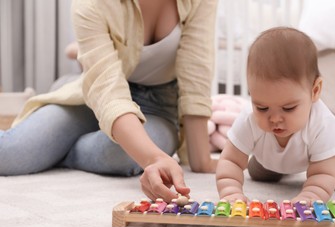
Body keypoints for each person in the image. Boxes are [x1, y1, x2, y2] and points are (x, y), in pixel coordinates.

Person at [0, 0, 218, 202]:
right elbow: (108, 92)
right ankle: (63, 103)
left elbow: (195, 73)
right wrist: (153, 159)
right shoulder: (91, 4)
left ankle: (59, 149)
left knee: (123, 155)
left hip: (159, 107)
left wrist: (200, 160)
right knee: (11, 153)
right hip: (95, 95)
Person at [216, 27, 335, 205]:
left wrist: (310, 196)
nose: (274, 119)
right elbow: (230, 161)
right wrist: (230, 192)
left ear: (315, 91)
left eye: (288, 108)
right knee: (260, 175)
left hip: (320, 148)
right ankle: (276, 161)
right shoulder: (249, 118)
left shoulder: (323, 124)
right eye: (262, 107)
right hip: (271, 152)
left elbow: (322, 174)